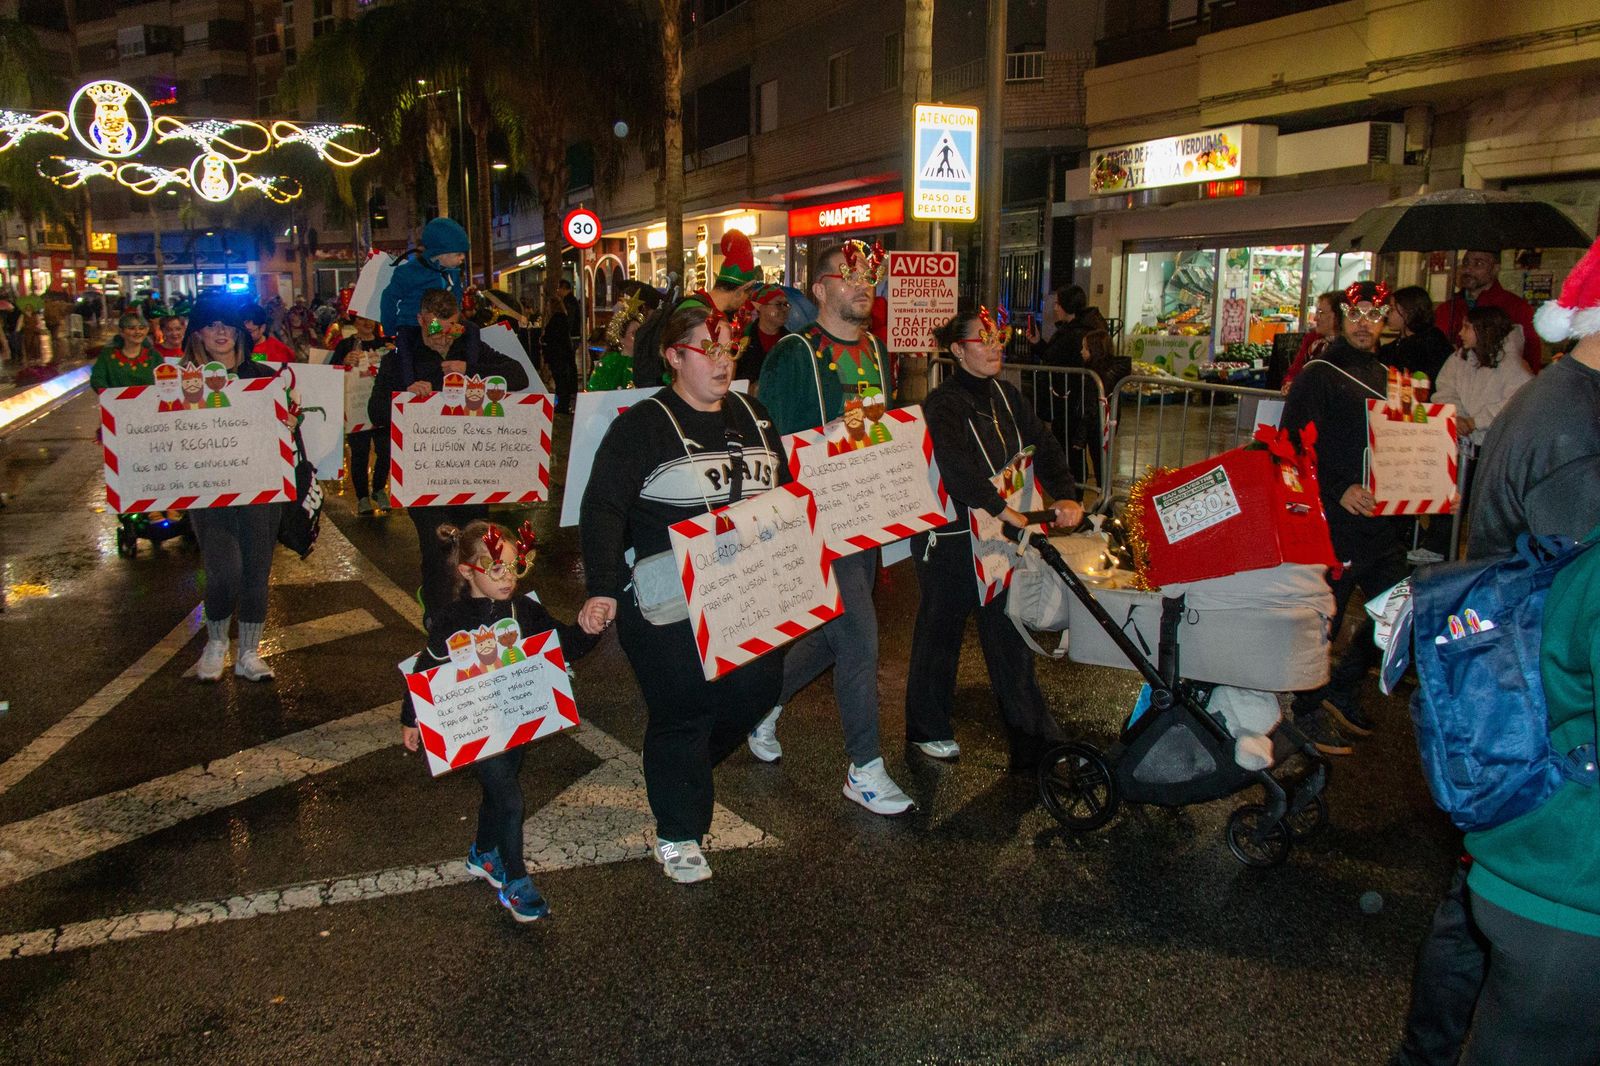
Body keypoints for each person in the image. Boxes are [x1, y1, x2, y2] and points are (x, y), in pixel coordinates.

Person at [1397, 239, 1600, 1066]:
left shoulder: (1558, 404)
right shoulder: (1577, 430)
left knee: (1475, 907)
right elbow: (1575, 623)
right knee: (1485, 913)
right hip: (1539, 735)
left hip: (1516, 716)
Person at [578, 303, 790, 882]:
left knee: (759, 687)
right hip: (667, 600)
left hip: (748, 590)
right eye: (708, 349)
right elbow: (602, 507)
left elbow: (789, 495)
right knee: (682, 709)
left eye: (728, 348)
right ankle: (678, 832)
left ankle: (683, 766)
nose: (723, 362)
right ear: (674, 356)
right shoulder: (642, 424)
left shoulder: (756, 414)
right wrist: (601, 587)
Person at [753, 240, 915, 813]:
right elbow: (768, 445)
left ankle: (760, 707)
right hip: (816, 522)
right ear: (819, 289)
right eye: (849, 276)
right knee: (860, 638)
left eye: (869, 274)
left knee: (831, 635)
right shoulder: (794, 354)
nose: (863, 283)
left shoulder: (876, 349)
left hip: (863, 518)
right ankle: (864, 767)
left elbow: (876, 430)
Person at [903, 309, 1082, 772]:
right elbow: (956, 467)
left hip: (1001, 536)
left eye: (998, 337)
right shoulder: (943, 403)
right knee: (940, 632)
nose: (995, 346)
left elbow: (1042, 443)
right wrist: (1006, 511)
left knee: (1007, 630)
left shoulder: (1007, 395)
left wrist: (1065, 493)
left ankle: (1032, 732)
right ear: (957, 350)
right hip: (952, 536)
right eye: (982, 340)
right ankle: (928, 729)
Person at [400, 519, 601, 922]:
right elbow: (425, 667)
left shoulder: (524, 610)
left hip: (515, 721)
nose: (507, 577)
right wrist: (411, 718)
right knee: (510, 799)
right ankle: (516, 882)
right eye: (496, 569)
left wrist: (589, 627)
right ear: (467, 572)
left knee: (499, 793)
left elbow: (565, 646)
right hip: (477, 726)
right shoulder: (452, 618)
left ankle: (482, 853)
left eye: (514, 567)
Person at [1282, 280, 1407, 755]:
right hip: (1333, 526)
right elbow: (1291, 443)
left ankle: (1341, 686)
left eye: (1375, 315)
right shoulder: (1320, 373)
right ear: (1340, 316)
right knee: (1322, 624)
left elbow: (1397, 450)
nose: (1364, 324)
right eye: (1356, 314)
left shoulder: (1386, 375)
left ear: (1386, 321)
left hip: (1379, 528)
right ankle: (1306, 710)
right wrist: (1338, 488)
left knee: (1398, 613)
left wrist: (1432, 490)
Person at [370, 288, 529, 625]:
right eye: (434, 329)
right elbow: (375, 412)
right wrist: (405, 395)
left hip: (471, 472)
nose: (442, 338)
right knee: (438, 545)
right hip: (423, 474)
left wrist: (472, 368)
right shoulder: (399, 359)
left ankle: (478, 617)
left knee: (477, 544)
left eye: (451, 328)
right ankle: (440, 617)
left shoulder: (471, 348)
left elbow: (519, 376)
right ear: (420, 321)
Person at [182, 297, 286, 683]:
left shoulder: (264, 377)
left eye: (228, 324)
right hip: (209, 493)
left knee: (257, 572)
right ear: (199, 334)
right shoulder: (181, 384)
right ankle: (215, 645)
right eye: (211, 325)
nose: (221, 332)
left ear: (241, 332)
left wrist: (286, 422)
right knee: (225, 570)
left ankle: (249, 653)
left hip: (260, 490)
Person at [1434, 305, 1533, 450]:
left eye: (1467, 327)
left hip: (1497, 447)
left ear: (1484, 330)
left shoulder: (1513, 366)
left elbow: (1515, 404)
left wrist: (1475, 422)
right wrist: (1457, 416)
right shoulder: (1459, 359)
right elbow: (1445, 389)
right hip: (1462, 443)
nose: (1460, 333)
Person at [1436, 249, 1541, 375]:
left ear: (1495, 268)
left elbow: (1530, 359)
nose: (1468, 270)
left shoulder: (1516, 308)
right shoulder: (1446, 308)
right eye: (1465, 263)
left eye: (1478, 264)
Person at [330, 316, 393, 515]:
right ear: (355, 322)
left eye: (370, 320)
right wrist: (343, 361)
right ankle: (362, 497)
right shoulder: (346, 345)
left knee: (385, 450)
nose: (367, 324)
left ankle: (379, 489)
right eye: (362, 320)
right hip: (356, 409)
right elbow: (331, 371)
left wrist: (393, 354)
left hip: (381, 405)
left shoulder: (385, 343)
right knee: (359, 454)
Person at [379, 216, 469, 336]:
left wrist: (454, 322)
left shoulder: (452, 272)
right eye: (458, 254)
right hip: (413, 326)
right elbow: (388, 298)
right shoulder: (409, 272)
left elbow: (456, 299)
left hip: (440, 325)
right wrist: (390, 329)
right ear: (440, 254)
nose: (463, 257)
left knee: (470, 332)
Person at [1379, 286, 1453, 392]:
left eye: (1392, 309)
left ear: (1409, 311)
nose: (1387, 314)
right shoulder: (1389, 349)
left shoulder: (1433, 344)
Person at [1282, 290, 1347, 390]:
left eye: (1320, 312)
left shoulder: (1348, 347)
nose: (1315, 318)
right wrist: (1289, 384)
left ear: (1337, 316)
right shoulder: (1311, 340)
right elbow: (1294, 372)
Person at [586, 297, 646, 391]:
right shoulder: (610, 364)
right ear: (621, 338)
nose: (639, 337)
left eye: (641, 332)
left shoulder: (647, 362)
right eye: (634, 334)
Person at [736, 284, 790, 388]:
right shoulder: (742, 339)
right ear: (760, 307)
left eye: (786, 305)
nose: (784, 309)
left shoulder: (791, 341)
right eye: (778, 304)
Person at [89, 313, 156, 390]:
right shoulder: (107, 356)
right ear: (121, 331)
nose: (137, 332)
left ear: (147, 330)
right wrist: (109, 396)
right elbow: (97, 380)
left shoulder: (154, 356)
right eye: (131, 328)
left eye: (141, 328)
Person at [540, 294, 578, 414]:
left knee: (561, 381)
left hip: (558, 355)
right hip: (562, 354)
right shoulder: (562, 318)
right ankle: (563, 404)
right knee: (561, 380)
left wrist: (544, 338)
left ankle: (562, 405)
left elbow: (553, 337)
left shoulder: (557, 319)